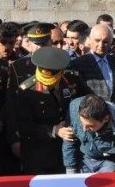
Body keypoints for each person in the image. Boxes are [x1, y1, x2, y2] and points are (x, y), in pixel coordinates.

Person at [9, 46, 89, 174]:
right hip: (39, 153)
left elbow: (88, 100)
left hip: (69, 150)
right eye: (44, 80)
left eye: (51, 81)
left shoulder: (70, 80)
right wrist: (54, 130)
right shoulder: (26, 90)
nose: (47, 84)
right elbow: (24, 124)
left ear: (61, 73)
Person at [63, 94, 115, 173]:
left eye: (90, 126)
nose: (84, 129)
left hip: (109, 161)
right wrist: (70, 169)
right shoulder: (74, 108)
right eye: (82, 123)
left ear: (106, 119)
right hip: (84, 159)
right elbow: (69, 140)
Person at [72, 24, 115, 103]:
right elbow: (77, 94)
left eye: (105, 42)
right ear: (90, 40)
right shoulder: (79, 64)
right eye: (97, 40)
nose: (101, 45)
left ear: (111, 42)